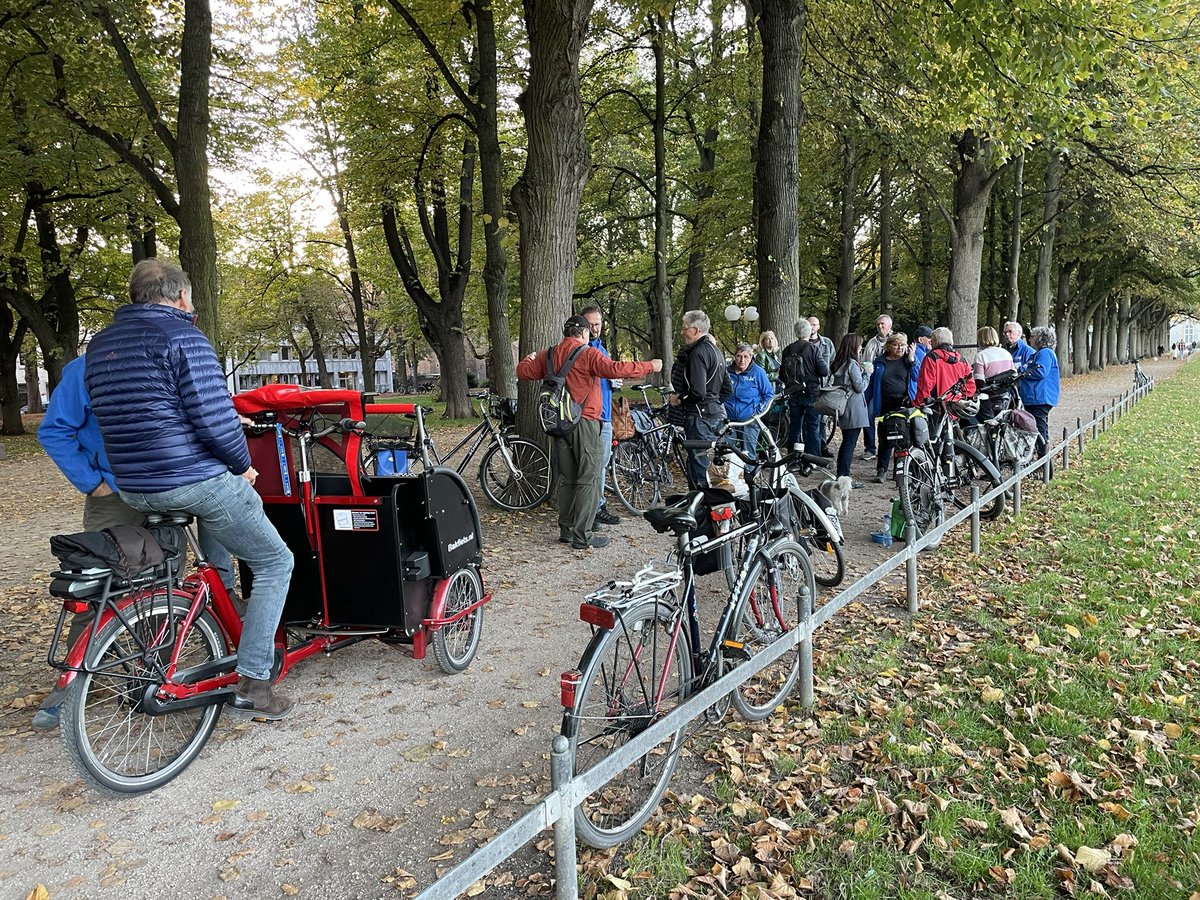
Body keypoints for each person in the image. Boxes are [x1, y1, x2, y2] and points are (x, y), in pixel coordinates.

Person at [86, 258, 295, 720]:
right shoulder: (183, 335)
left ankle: (206, 626)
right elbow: (215, 419)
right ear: (181, 296)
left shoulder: (101, 345)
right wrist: (243, 466)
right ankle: (256, 684)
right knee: (276, 560)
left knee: (201, 552)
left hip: (135, 486)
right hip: (189, 479)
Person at [32, 355, 145, 730]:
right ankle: (72, 681)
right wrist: (92, 482)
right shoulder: (89, 367)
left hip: (168, 486)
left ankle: (150, 671)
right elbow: (53, 429)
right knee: (99, 584)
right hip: (113, 493)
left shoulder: (165, 356)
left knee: (164, 582)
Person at [518, 315, 661, 549]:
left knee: (568, 479)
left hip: (560, 424)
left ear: (566, 333)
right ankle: (583, 534)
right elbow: (615, 369)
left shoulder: (550, 354)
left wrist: (527, 360)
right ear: (584, 333)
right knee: (590, 477)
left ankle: (566, 529)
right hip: (585, 422)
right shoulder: (588, 353)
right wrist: (650, 366)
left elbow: (524, 372)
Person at [670, 310, 731, 488]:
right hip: (717, 416)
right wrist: (715, 403)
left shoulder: (697, 353)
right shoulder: (716, 351)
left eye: (685, 328)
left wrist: (679, 399)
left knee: (699, 467)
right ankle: (717, 507)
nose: (682, 332)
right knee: (717, 468)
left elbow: (697, 392)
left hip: (700, 417)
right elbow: (728, 389)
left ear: (696, 331)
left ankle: (701, 508)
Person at [580, 305, 621, 529]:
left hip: (605, 414)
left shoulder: (600, 348)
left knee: (601, 463)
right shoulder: (584, 349)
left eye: (598, 324)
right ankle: (595, 509)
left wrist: (613, 383)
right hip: (592, 417)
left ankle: (598, 506)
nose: (595, 328)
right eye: (591, 324)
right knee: (594, 465)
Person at [867, 333, 916, 482]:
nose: (899, 348)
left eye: (902, 345)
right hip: (884, 403)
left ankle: (900, 470)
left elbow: (917, 377)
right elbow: (871, 383)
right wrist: (866, 401)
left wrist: (912, 359)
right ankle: (881, 470)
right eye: (896, 345)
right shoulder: (880, 362)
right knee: (885, 436)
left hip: (903, 403)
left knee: (903, 437)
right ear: (889, 346)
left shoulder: (908, 361)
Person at [780, 318, 829, 454]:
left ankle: (793, 457)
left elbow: (782, 374)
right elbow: (824, 371)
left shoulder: (787, 350)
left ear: (796, 332)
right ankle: (811, 459)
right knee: (813, 426)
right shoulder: (813, 349)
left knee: (795, 426)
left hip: (793, 393)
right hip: (811, 393)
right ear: (809, 332)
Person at [829, 334, 868, 487]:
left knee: (847, 441)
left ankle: (842, 474)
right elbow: (860, 387)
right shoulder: (852, 364)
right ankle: (844, 476)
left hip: (844, 407)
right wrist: (867, 374)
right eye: (859, 345)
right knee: (850, 443)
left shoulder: (839, 363)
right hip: (854, 407)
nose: (860, 348)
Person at [724, 342, 774, 454]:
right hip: (729, 420)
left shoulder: (758, 372)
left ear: (751, 357)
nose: (742, 360)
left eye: (746, 356)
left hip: (749, 420)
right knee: (726, 453)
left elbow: (769, 395)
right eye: (739, 356)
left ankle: (751, 471)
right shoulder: (726, 372)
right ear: (734, 357)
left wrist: (758, 411)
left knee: (748, 453)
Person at [1018, 325, 1061, 456]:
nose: (1029, 339)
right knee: (1038, 428)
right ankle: (1042, 459)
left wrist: (1022, 373)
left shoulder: (1045, 353)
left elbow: (1041, 371)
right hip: (1034, 397)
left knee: (1039, 430)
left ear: (1040, 339)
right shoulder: (1038, 353)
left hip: (1039, 397)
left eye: (1031, 337)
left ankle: (1043, 461)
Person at [915, 326, 977, 407]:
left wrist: (920, 404)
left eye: (931, 341)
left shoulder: (931, 358)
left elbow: (925, 385)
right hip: (957, 407)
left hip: (937, 407)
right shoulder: (962, 360)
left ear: (936, 341)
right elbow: (970, 388)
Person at [861, 313, 893, 459]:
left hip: (890, 384)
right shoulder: (872, 343)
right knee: (868, 414)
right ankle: (870, 447)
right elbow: (866, 363)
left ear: (889, 326)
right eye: (878, 324)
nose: (880, 326)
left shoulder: (896, 341)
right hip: (873, 383)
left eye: (882, 324)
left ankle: (890, 446)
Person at [907, 325, 933, 402]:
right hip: (915, 394)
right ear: (920, 339)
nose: (931, 341)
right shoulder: (920, 353)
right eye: (929, 338)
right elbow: (919, 376)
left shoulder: (920, 352)